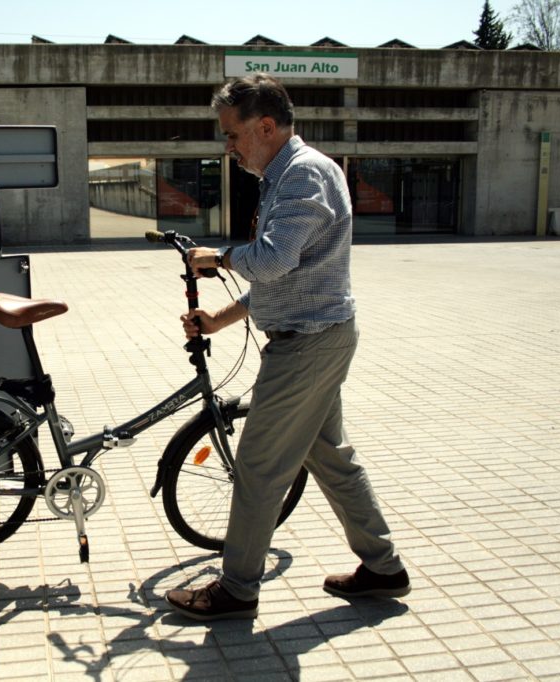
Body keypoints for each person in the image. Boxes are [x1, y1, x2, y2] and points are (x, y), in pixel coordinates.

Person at [164, 74, 409, 622]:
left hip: (308, 347)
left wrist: (219, 256)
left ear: (266, 126)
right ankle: (384, 568)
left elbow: (271, 260)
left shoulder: (303, 176)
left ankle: (236, 589)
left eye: (232, 135)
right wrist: (221, 319)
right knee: (332, 459)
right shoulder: (285, 176)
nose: (228, 148)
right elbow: (283, 276)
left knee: (257, 467)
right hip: (315, 336)